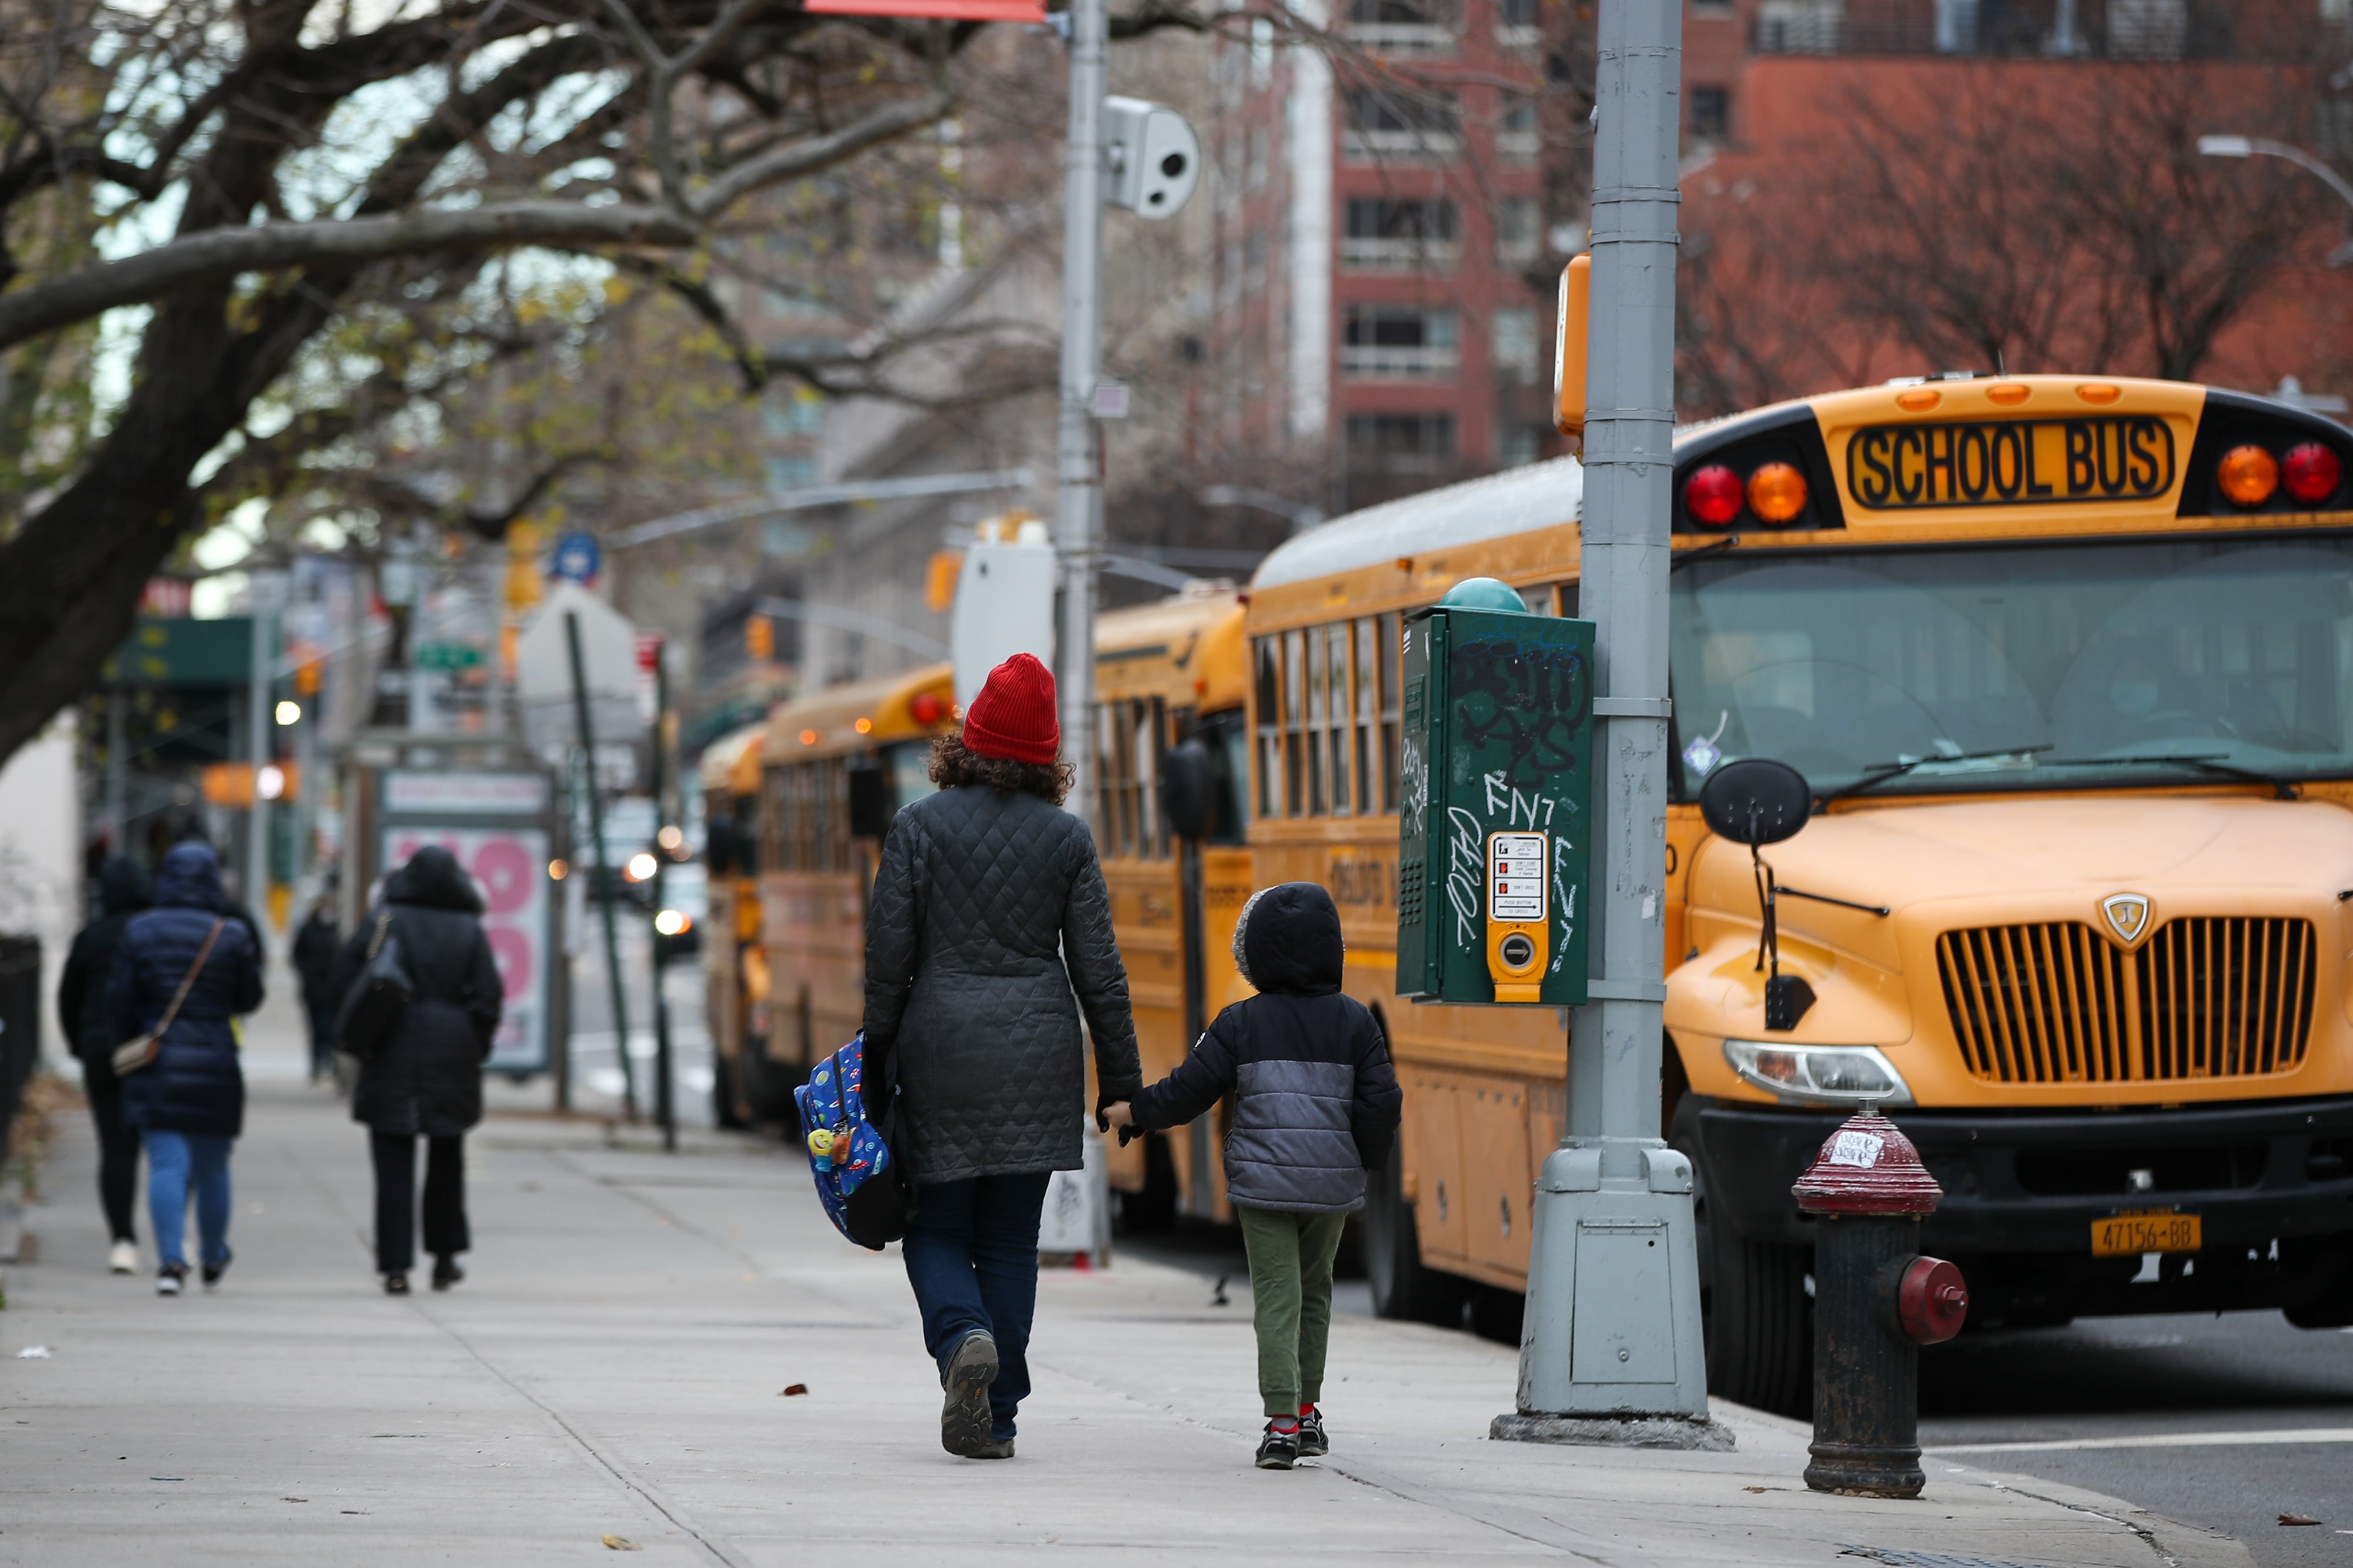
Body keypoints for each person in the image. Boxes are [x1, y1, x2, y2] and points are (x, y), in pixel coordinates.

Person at [860, 652, 1142, 1461]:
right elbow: (1101, 970)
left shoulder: (918, 826)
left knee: (935, 1221)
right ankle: (1003, 1412)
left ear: (968, 737)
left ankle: (961, 1342)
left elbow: (889, 957)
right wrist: (1121, 1082)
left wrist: (875, 1058)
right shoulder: (1067, 839)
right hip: (1039, 1048)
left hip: (940, 1046)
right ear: (1049, 753)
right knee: (1013, 1238)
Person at [1104, 882, 1401, 1470]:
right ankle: (1308, 1410)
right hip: (1332, 1185)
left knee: (1277, 1292)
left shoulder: (1239, 1021)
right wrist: (1362, 1159)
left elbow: (1190, 1089)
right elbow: (1381, 1103)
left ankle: (1282, 1423)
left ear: (1256, 950)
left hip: (1264, 1185)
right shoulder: (1357, 1024)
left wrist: (1134, 1112)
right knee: (1315, 1290)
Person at [335, 845, 502, 1296]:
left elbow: (349, 972)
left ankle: (395, 1266)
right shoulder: (469, 928)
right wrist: (475, 1042)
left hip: (389, 1044)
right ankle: (445, 1257)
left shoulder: (386, 919)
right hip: (453, 1048)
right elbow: (489, 994)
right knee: (448, 1156)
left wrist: (359, 1035)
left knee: (392, 1159)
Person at [108, 842, 264, 1296]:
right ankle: (214, 1253)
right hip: (216, 1061)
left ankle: (171, 1262)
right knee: (213, 1167)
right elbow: (249, 998)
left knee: (167, 1164)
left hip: (158, 1061)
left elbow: (119, 1001)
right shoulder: (230, 933)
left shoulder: (141, 931)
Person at [58, 856, 152, 1275]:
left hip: (102, 1050)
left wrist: (80, 1045)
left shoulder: (91, 937)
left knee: (115, 1148)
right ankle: (173, 1237)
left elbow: (68, 997)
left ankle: (123, 1240)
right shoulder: (154, 932)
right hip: (150, 1051)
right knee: (166, 1149)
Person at [291, 884, 342, 1081]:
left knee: (330, 1026)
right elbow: (297, 955)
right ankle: (316, 1063)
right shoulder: (308, 928)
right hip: (313, 987)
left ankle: (328, 1060)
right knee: (315, 1026)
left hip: (331, 987)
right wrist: (307, 972)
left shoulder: (337, 929)